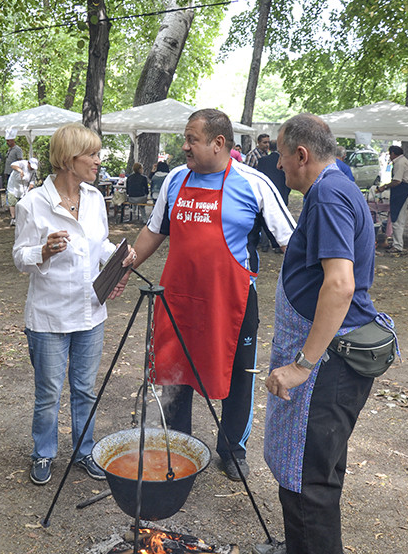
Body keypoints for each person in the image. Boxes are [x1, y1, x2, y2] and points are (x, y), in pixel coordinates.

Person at [253, 113, 384, 554]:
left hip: (327, 365)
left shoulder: (329, 196)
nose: (278, 163)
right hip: (324, 360)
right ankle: (301, 543)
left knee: (312, 478)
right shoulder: (338, 183)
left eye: (282, 155)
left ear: (301, 154)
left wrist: (303, 364)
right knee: (309, 465)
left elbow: (340, 285)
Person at [114, 109, 295, 481]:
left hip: (233, 303)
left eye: (191, 139)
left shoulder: (254, 183)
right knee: (176, 372)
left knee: (237, 375)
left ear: (218, 143)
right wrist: (125, 265)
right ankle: (180, 446)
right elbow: (153, 231)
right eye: (185, 139)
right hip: (178, 298)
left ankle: (232, 451)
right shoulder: (176, 179)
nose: (184, 147)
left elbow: (293, 243)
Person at [12, 123, 136, 485]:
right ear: (69, 159)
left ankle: (84, 451)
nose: (99, 161)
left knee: (85, 389)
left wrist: (120, 256)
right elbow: (20, 258)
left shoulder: (95, 199)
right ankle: (44, 452)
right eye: (92, 155)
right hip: (49, 316)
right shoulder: (33, 203)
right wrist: (43, 250)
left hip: (90, 312)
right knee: (49, 392)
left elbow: (100, 248)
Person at [377, 145, 408, 254]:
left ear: (393, 153)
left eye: (390, 154)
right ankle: (396, 243)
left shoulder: (400, 163)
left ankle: (398, 246)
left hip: (403, 193)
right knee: (397, 220)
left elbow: (397, 181)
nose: (389, 156)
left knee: (398, 220)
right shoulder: (402, 161)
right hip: (403, 192)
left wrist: (384, 187)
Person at [256, 139, 291, 252]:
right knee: (279, 219)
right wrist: (286, 194)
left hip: (265, 194)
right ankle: (278, 246)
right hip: (281, 193)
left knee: (265, 219)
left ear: (269, 148)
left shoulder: (262, 161)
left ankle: (264, 244)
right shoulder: (285, 161)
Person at [7, 156, 39, 226]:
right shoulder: (22, 163)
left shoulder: (33, 171)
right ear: (28, 163)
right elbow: (12, 165)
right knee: (13, 202)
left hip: (24, 187)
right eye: (31, 166)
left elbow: (32, 182)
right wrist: (20, 170)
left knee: (23, 203)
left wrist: (28, 190)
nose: (32, 168)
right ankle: (13, 218)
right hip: (13, 186)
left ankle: (22, 218)